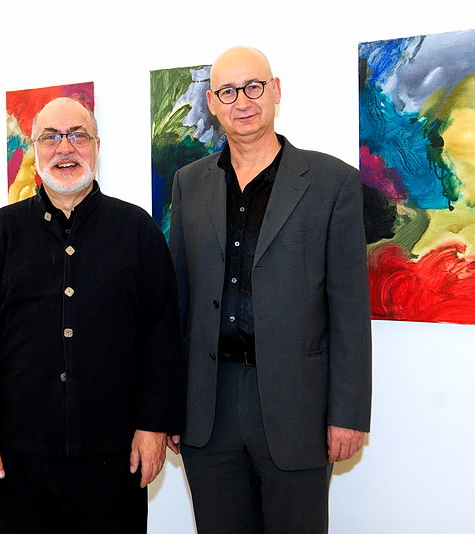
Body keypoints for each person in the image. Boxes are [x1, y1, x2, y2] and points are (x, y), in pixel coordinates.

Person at [0, 97, 183, 533]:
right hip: (19, 455)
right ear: (34, 148)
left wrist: (154, 426)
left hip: (115, 453)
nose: (65, 148)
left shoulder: (138, 231)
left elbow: (162, 337)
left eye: (78, 136)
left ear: (97, 146)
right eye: (51, 137)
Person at [168, 46, 372, 533]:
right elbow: (177, 302)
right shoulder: (188, 183)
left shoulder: (332, 183)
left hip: (297, 406)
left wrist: (348, 413)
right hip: (208, 407)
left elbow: (349, 309)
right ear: (212, 103)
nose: (242, 101)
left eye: (253, 87)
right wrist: (168, 405)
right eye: (227, 91)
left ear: (275, 90)